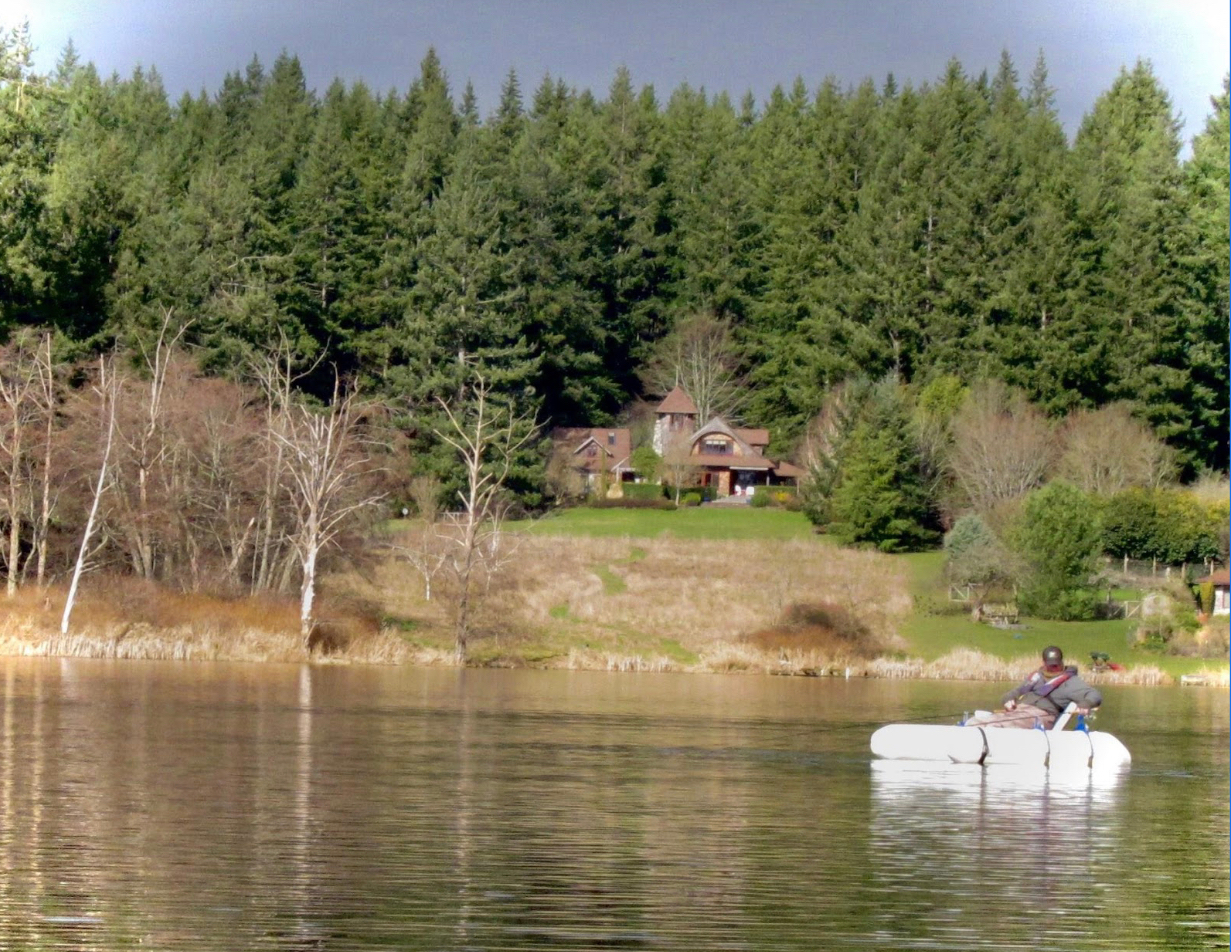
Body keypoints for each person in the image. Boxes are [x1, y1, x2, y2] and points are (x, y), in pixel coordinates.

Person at [965, 645, 1102, 729]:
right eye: (1051, 665)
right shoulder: (1036, 677)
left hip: (1042, 716)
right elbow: (1015, 692)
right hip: (1018, 712)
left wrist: (1086, 703)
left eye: (1056, 664)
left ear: (1061, 662)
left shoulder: (1071, 681)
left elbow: (1094, 695)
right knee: (974, 721)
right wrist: (1008, 699)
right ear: (1044, 663)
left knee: (997, 725)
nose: (1054, 667)